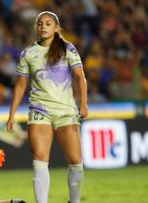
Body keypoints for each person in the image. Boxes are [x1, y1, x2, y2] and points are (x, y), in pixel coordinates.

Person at [6, 11, 88, 203]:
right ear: (36, 27)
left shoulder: (68, 49)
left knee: (76, 163)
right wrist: (11, 115)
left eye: (48, 24)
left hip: (66, 111)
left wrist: (83, 103)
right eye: (40, 23)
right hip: (39, 111)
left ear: (56, 28)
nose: (43, 27)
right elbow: (20, 86)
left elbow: (80, 77)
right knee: (40, 160)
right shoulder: (28, 53)